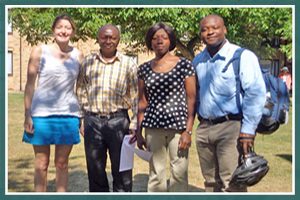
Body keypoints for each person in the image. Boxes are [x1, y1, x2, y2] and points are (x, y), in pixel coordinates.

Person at [192, 14, 266, 192]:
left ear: (224, 30)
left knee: (232, 182)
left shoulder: (242, 56)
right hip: (205, 129)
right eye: (205, 29)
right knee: (210, 182)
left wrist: (248, 129)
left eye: (215, 28)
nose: (210, 32)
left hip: (231, 127)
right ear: (201, 34)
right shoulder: (198, 60)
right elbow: (197, 93)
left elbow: (255, 93)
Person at [130, 22, 196, 192]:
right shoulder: (144, 68)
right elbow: (142, 101)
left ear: (171, 41)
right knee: (155, 174)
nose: (159, 41)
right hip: (153, 128)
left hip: (178, 129)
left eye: (164, 37)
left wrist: (188, 131)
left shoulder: (184, 65)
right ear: (150, 42)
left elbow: (191, 99)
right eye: (155, 38)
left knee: (179, 174)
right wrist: (138, 131)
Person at [23, 14, 84, 192]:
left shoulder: (78, 54)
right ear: (53, 30)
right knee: (41, 164)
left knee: (62, 164)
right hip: (41, 115)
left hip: (68, 115)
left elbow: (81, 88)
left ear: (72, 31)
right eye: (59, 27)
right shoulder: (39, 51)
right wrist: (27, 114)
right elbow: (29, 84)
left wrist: (83, 117)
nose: (63, 31)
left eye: (67, 27)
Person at [76, 24, 138, 192]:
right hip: (93, 122)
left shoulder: (128, 64)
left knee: (122, 170)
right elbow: (81, 91)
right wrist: (82, 119)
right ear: (98, 39)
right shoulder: (87, 62)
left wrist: (134, 124)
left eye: (112, 38)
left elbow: (135, 97)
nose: (108, 41)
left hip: (119, 122)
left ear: (118, 40)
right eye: (104, 37)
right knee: (95, 170)